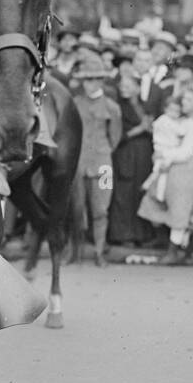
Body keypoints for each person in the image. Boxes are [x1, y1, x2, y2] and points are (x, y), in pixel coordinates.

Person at [137, 85, 193, 264]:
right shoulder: (184, 121)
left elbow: (186, 151)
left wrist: (165, 154)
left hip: (187, 170)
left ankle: (173, 250)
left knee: (180, 209)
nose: (183, 103)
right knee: (164, 202)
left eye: (189, 100)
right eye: (184, 99)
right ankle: (169, 244)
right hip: (176, 169)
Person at [71, 50, 123, 267]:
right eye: (87, 79)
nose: (90, 83)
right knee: (76, 207)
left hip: (103, 165)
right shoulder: (74, 103)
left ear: (102, 80)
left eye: (95, 79)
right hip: (78, 162)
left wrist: (103, 152)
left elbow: (115, 138)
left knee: (101, 208)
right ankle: (75, 251)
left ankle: (99, 252)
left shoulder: (112, 107)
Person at [108, 58, 154, 247]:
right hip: (126, 152)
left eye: (128, 85)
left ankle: (141, 235)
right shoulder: (119, 107)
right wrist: (141, 129)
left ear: (137, 87)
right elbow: (117, 135)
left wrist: (149, 128)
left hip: (143, 154)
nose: (124, 89)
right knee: (124, 193)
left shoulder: (145, 105)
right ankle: (123, 235)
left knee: (139, 192)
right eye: (122, 85)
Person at [143, 96, 186, 204]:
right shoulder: (168, 121)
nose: (174, 113)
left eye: (177, 111)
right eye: (171, 110)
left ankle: (150, 184)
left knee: (160, 171)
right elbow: (181, 132)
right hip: (164, 148)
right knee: (162, 171)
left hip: (164, 148)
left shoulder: (163, 120)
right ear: (165, 109)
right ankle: (158, 194)